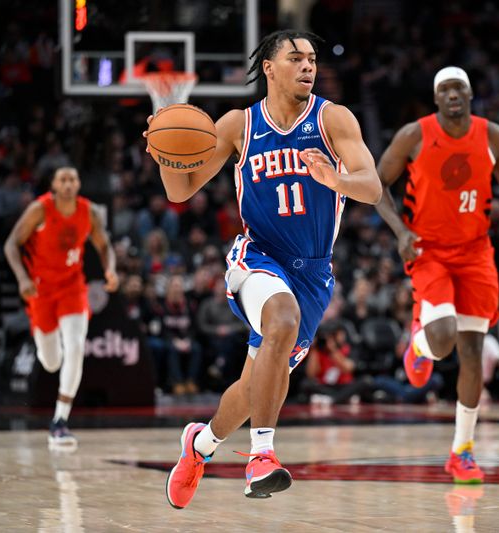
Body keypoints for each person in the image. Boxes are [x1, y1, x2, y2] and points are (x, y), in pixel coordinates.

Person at [147, 30, 381, 508]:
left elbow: (372, 187)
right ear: (270, 68)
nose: (308, 66)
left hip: (313, 274)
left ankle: (200, 446)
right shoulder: (239, 124)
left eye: (312, 59)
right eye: (295, 58)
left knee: (253, 387)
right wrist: (163, 147)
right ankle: (262, 457)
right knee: (281, 318)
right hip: (258, 256)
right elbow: (179, 190)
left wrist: (335, 178)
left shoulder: (334, 118)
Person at [375, 66, 499, 483]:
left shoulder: (493, 136)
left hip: (477, 251)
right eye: (444, 89)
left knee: (472, 352)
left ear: (469, 94)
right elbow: (377, 185)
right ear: (435, 98)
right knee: (443, 339)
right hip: (430, 250)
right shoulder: (414, 135)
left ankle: (462, 451)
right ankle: (420, 346)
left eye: (459, 88)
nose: (452, 95)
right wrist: (400, 231)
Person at [4, 167, 118, 448]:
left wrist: (110, 270)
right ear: (53, 185)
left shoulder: (88, 211)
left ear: (78, 184)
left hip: (72, 288)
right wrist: (22, 278)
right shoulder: (39, 209)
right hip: (41, 290)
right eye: (62, 179)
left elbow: (104, 246)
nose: (68, 184)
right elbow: (11, 245)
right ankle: (52, 353)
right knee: (51, 361)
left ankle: (60, 421)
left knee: (76, 347)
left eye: (72, 179)